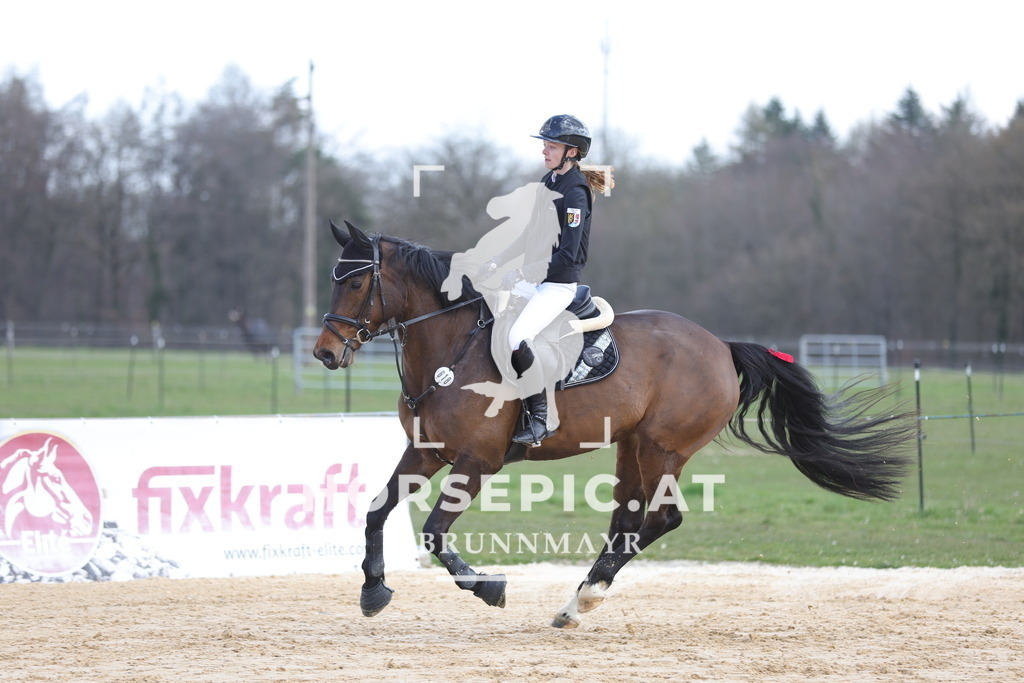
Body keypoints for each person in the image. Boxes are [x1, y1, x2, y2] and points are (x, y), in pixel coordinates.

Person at [503, 114, 613, 446]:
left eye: (551, 146)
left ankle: (541, 418)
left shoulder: (576, 191)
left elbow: (568, 254)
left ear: (572, 151)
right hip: (536, 280)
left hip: (557, 285)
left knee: (518, 336)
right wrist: (495, 262)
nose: (545, 152)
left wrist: (525, 272)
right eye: (545, 146)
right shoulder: (549, 181)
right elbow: (528, 235)